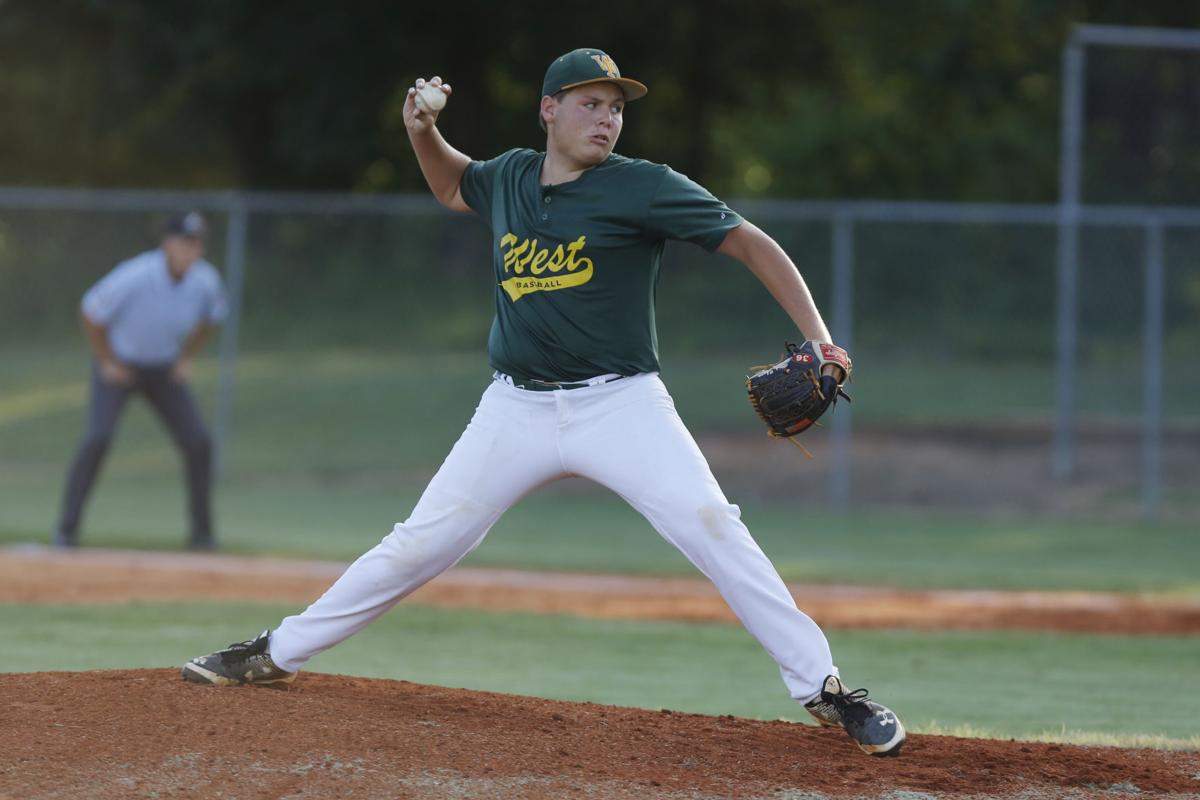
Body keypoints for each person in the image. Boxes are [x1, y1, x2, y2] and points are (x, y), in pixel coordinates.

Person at [182, 49, 905, 757]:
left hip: (621, 403)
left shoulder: (643, 186)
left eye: (616, 107)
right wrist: (420, 131)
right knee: (420, 541)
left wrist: (822, 340)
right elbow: (451, 184)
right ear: (549, 110)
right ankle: (277, 652)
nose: (607, 119)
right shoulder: (510, 178)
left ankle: (827, 690)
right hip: (516, 409)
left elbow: (751, 244)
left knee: (714, 524)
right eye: (591, 103)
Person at [55, 211, 228, 551]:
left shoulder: (205, 280)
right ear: (167, 243)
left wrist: (186, 357)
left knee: (198, 442)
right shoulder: (136, 275)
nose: (190, 250)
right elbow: (91, 310)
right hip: (120, 366)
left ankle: (202, 536)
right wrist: (107, 361)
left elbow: (213, 317)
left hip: (163, 369)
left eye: (196, 243)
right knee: (98, 437)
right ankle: (66, 530)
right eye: (184, 242)